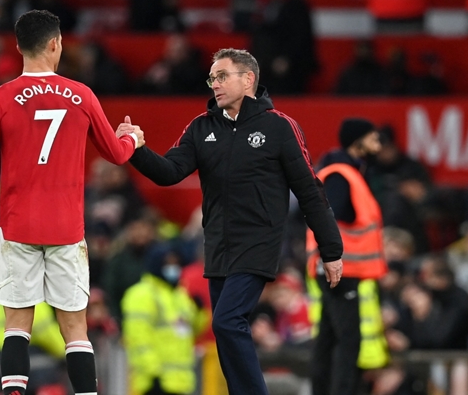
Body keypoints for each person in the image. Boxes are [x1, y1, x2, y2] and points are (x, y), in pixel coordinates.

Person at [119, 48, 343, 394]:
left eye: (223, 76)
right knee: (224, 331)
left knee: (226, 321)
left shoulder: (279, 127)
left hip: (258, 244)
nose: (215, 85)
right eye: (212, 78)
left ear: (248, 79)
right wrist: (136, 148)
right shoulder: (201, 127)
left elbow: (310, 191)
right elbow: (169, 172)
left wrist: (331, 250)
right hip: (218, 247)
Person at [0, 10, 144, 395]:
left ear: (19, 47)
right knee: (75, 329)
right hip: (66, 229)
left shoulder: (0, 98)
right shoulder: (82, 95)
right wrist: (132, 139)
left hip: (18, 226)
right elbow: (117, 155)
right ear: (56, 44)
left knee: (17, 326)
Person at [305, 118, 389, 395]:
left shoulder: (347, 171)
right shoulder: (342, 174)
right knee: (348, 340)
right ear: (357, 141)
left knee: (328, 340)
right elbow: (331, 216)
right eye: (373, 138)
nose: (378, 143)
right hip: (340, 270)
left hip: (336, 268)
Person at [121, 243, 207, 395]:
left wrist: (199, 312)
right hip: (155, 383)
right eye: (168, 263)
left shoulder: (179, 295)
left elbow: (190, 332)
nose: (173, 267)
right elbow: (138, 340)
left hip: (181, 383)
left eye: (176, 263)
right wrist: (153, 375)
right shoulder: (142, 295)